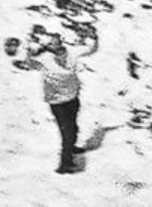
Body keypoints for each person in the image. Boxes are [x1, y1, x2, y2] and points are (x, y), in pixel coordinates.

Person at [23, 29, 99, 173]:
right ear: (49, 47)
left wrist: (95, 38)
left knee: (74, 128)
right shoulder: (44, 59)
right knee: (68, 132)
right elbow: (29, 64)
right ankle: (65, 165)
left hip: (73, 97)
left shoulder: (72, 53)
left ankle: (72, 148)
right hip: (57, 102)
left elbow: (91, 50)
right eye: (52, 44)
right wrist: (27, 50)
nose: (55, 47)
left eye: (57, 43)